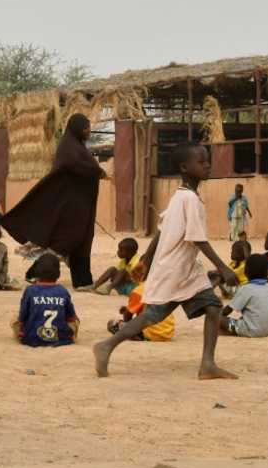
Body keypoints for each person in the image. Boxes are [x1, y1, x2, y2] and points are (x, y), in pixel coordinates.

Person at [93, 143, 238, 380]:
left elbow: (161, 229)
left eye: (207, 160)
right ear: (184, 167)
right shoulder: (188, 199)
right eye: (201, 162)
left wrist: (146, 259)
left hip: (185, 270)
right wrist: (222, 267)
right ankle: (107, 345)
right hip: (175, 270)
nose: (207, 165)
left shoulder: (180, 196)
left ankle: (208, 365)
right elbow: (197, 239)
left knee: (213, 307)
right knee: (152, 316)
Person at [1, 114, 105, 290]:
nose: (88, 131)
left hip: (80, 204)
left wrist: (96, 171)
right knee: (68, 239)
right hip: (69, 204)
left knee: (82, 239)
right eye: (85, 127)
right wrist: (96, 171)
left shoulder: (78, 147)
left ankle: (83, 281)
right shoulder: (68, 148)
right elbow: (75, 165)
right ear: (77, 129)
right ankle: (36, 273)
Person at [13, 254, 78, 347]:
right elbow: (71, 317)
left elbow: (22, 318)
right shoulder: (62, 291)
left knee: (14, 318)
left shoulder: (30, 290)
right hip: (61, 337)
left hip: (31, 338)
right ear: (58, 273)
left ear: (37, 272)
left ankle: (24, 334)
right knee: (75, 320)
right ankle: (67, 335)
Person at [221, 254, 268, 338]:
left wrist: (217, 315)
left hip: (252, 331)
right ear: (266, 272)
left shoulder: (246, 289)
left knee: (220, 319)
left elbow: (228, 310)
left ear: (245, 272)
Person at [107, 281, 175, 342]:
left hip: (153, 333)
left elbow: (128, 316)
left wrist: (127, 323)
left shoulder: (139, 290)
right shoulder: (159, 286)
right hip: (168, 333)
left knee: (112, 324)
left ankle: (137, 336)